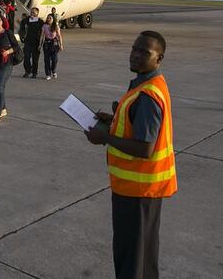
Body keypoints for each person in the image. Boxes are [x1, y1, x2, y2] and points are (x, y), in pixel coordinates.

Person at [85, 31, 177, 279]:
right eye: (134, 49)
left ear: (159, 58)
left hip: (137, 190)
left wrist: (104, 137)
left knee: (132, 259)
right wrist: (113, 120)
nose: (135, 55)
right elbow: (139, 127)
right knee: (142, 256)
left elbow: (145, 148)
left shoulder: (148, 95)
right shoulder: (148, 85)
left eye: (144, 52)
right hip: (140, 189)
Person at [19, 7, 44, 78]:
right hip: (28, 42)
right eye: (31, 12)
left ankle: (34, 73)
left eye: (33, 12)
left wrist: (41, 43)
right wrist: (22, 36)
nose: (32, 13)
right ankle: (27, 71)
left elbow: (44, 31)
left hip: (36, 43)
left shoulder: (40, 22)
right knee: (26, 57)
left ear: (37, 13)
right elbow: (21, 28)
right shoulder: (26, 20)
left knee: (35, 59)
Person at [41, 14, 64, 80]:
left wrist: (61, 44)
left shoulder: (56, 26)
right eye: (48, 18)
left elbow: (59, 36)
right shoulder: (44, 26)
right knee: (47, 60)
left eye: (50, 18)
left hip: (54, 44)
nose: (48, 19)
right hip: (46, 44)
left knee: (55, 59)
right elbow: (42, 36)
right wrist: (40, 44)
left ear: (53, 19)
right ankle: (48, 74)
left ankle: (53, 70)